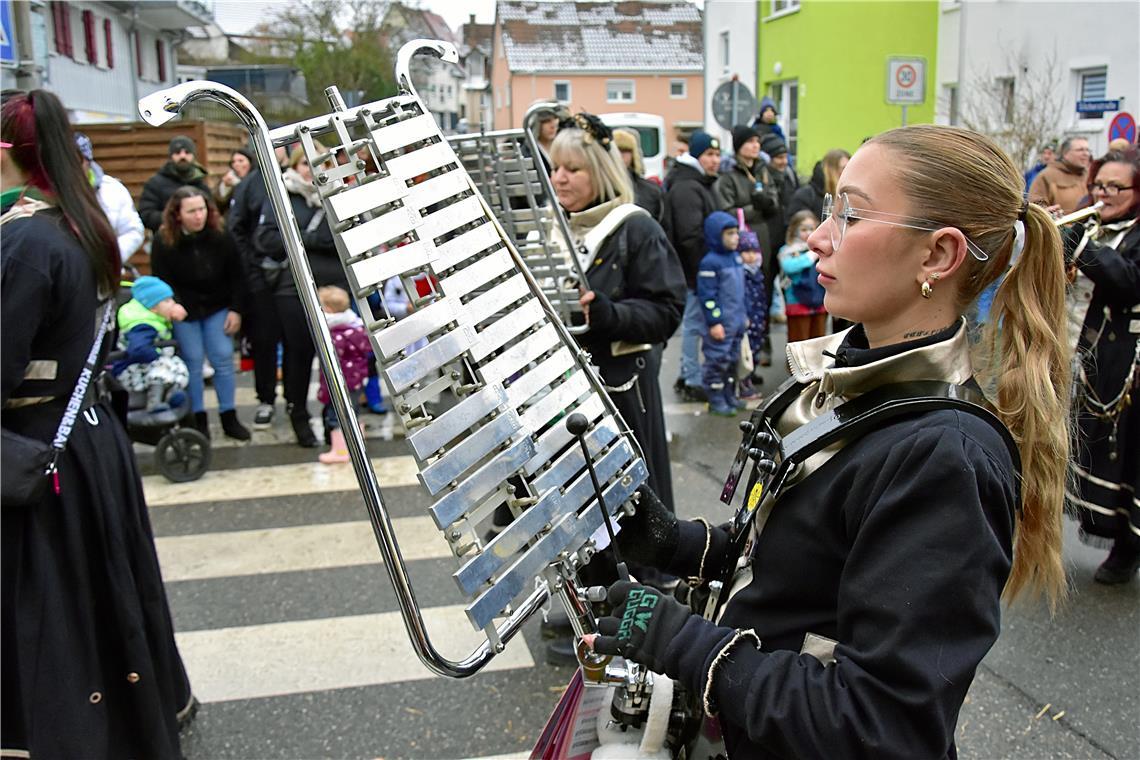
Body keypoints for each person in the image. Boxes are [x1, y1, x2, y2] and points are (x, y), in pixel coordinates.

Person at [587, 123, 1072, 760]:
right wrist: (680, 543)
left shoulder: (942, 456)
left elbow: (881, 729)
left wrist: (681, 641)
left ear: (937, 256)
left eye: (850, 215)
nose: (817, 237)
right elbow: (804, 566)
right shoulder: (857, 375)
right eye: (829, 210)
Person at [2, 88, 192, 759]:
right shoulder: (81, 226)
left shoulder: (26, 240)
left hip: (41, 443)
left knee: (55, 602)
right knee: (104, 589)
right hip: (88, 435)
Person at [550, 112, 686, 510]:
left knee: (628, 516)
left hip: (621, 396)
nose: (559, 177)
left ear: (601, 172)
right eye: (556, 167)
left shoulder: (635, 228)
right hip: (558, 396)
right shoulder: (548, 227)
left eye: (573, 169)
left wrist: (609, 315)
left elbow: (667, 312)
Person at [1062, 148, 1140, 584]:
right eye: (1099, 185)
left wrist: (1084, 247)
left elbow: (1129, 281)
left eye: (1116, 187)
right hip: (1086, 357)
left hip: (1129, 363)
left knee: (1125, 454)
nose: (1104, 194)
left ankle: (1127, 546)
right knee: (1090, 448)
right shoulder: (1089, 223)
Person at [254, 144, 349, 448]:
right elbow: (267, 239)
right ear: (295, 166)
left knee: (338, 357)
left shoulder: (339, 195)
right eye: (305, 164)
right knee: (299, 354)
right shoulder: (283, 196)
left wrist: (318, 241)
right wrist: (308, 239)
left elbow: (351, 237)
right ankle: (298, 414)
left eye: (317, 164)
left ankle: (335, 421)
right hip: (294, 290)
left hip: (336, 291)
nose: (312, 169)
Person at [151, 186, 250, 441]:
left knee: (223, 358)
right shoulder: (164, 240)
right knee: (192, 362)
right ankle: (198, 418)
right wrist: (173, 305)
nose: (199, 216)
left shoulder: (220, 234)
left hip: (217, 305)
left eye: (202, 209)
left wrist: (236, 309)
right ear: (178, 215)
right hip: (186, 309)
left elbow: (237, 274)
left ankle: (229, 415)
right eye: (192, 211)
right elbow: (162, 278)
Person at [229, 145, 289, 430]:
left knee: (297, 344)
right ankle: (265, 398)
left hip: (292, 278)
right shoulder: (249, 185)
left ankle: (295, 400)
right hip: (259, 276)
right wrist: (250, 268)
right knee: (264, 341)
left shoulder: (292, 178)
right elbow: (236, 229)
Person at [663, 129, 720, 402]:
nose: (715, 160)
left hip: (695, 270)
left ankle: (689, 374)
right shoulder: (688, 186)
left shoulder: (695, 181)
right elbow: (689, 236)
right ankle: (691, 379)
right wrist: (703, 273)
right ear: (696, 156)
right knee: (694, 325)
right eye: (709, 154)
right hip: (694, 271)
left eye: (718, 154)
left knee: (694, 324)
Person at [111, 275, 190, 413]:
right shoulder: (143, 325)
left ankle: (170, 395)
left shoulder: (157, 319)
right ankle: (155, 402)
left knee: (177, 364)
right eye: (167, 301)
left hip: (145, 370)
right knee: (166, 364)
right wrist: (159, 355)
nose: (173, 303)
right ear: (153, 308)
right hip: (131, 371)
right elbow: (138, 350)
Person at [696, 211, 748, 416]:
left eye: (737, 233)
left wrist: (745, 316)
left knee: (732, 361)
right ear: (716, 235)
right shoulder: (710, 262)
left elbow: (740, 292)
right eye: (730, 234)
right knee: (717, 361)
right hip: (721, 324)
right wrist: (714, 321)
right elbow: (707, 296)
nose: (736, 237)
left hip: (736, 321)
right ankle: (715, 399)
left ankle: (729, 395)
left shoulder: (735, 258)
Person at [315, 285, 372, 465]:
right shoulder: (355, 326)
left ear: (329, 310)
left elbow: (331, 358)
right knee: (353, 412)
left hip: (341, 382)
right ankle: (357, 445)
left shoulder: (335, 333)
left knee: (337, 416)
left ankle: (340, 452)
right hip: (356, 380)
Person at [75, 132, 145, 261]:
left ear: (88, 160)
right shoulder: (48, 193)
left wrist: (111, 259)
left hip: (105, 274)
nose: (72, 166)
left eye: (78, 160)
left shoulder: (112, 189)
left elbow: (133, 231)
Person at [138, 135, 211, 231]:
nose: (182, 156)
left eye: (187, 152)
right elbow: (146, 215)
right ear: (171, 156)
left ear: (193, 156)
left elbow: (212, 213)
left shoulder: (201, 184)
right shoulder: (155, 184)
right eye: (177, 153)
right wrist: (177, 219)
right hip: (167, 240)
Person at [778, 210, 828, 342]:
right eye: (803, 229)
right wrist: (809, 257)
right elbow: (789, 267)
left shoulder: (822, 248)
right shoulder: (787, 250)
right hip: (797, 301)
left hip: (819, 300)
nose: (808, 233)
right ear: (794, 229)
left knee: (818, 341)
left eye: (812, 228)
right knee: (799, 341)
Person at [1029, 135, 1092, 215]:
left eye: (1087, 150)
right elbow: (1035, 210)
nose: (1086, 154)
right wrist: (1048, 213)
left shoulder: (1091, 176)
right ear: (1065, 153)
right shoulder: (1047, 176)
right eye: (1080, 150)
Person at [738, 226, 766, 401]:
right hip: (746, 319)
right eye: (746, 251)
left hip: (758, 317)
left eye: (754, 251)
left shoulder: (757, 272)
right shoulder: (741, 273)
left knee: (755, 349)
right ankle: (743, 383)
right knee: (745, 353)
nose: (751, 256)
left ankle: (750, 378)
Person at [786, 147, 850, 224]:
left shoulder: (848, 196)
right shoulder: (806, 196)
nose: (848, 172)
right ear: (830, 170)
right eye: (844, 168)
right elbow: (795, 227)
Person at [613, 127, 664, 222]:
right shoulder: (598, 190)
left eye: (625, 150)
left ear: (634, 154)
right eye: (616, 150)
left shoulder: (651, 190)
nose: (621, 155)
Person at [215, 147, 254, 212]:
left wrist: (239, 184)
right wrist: (226, 186)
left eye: (241, 161)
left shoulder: (256, 180)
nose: (236, 164)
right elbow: (220, 205)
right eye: (233, 162)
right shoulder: (229, 179)